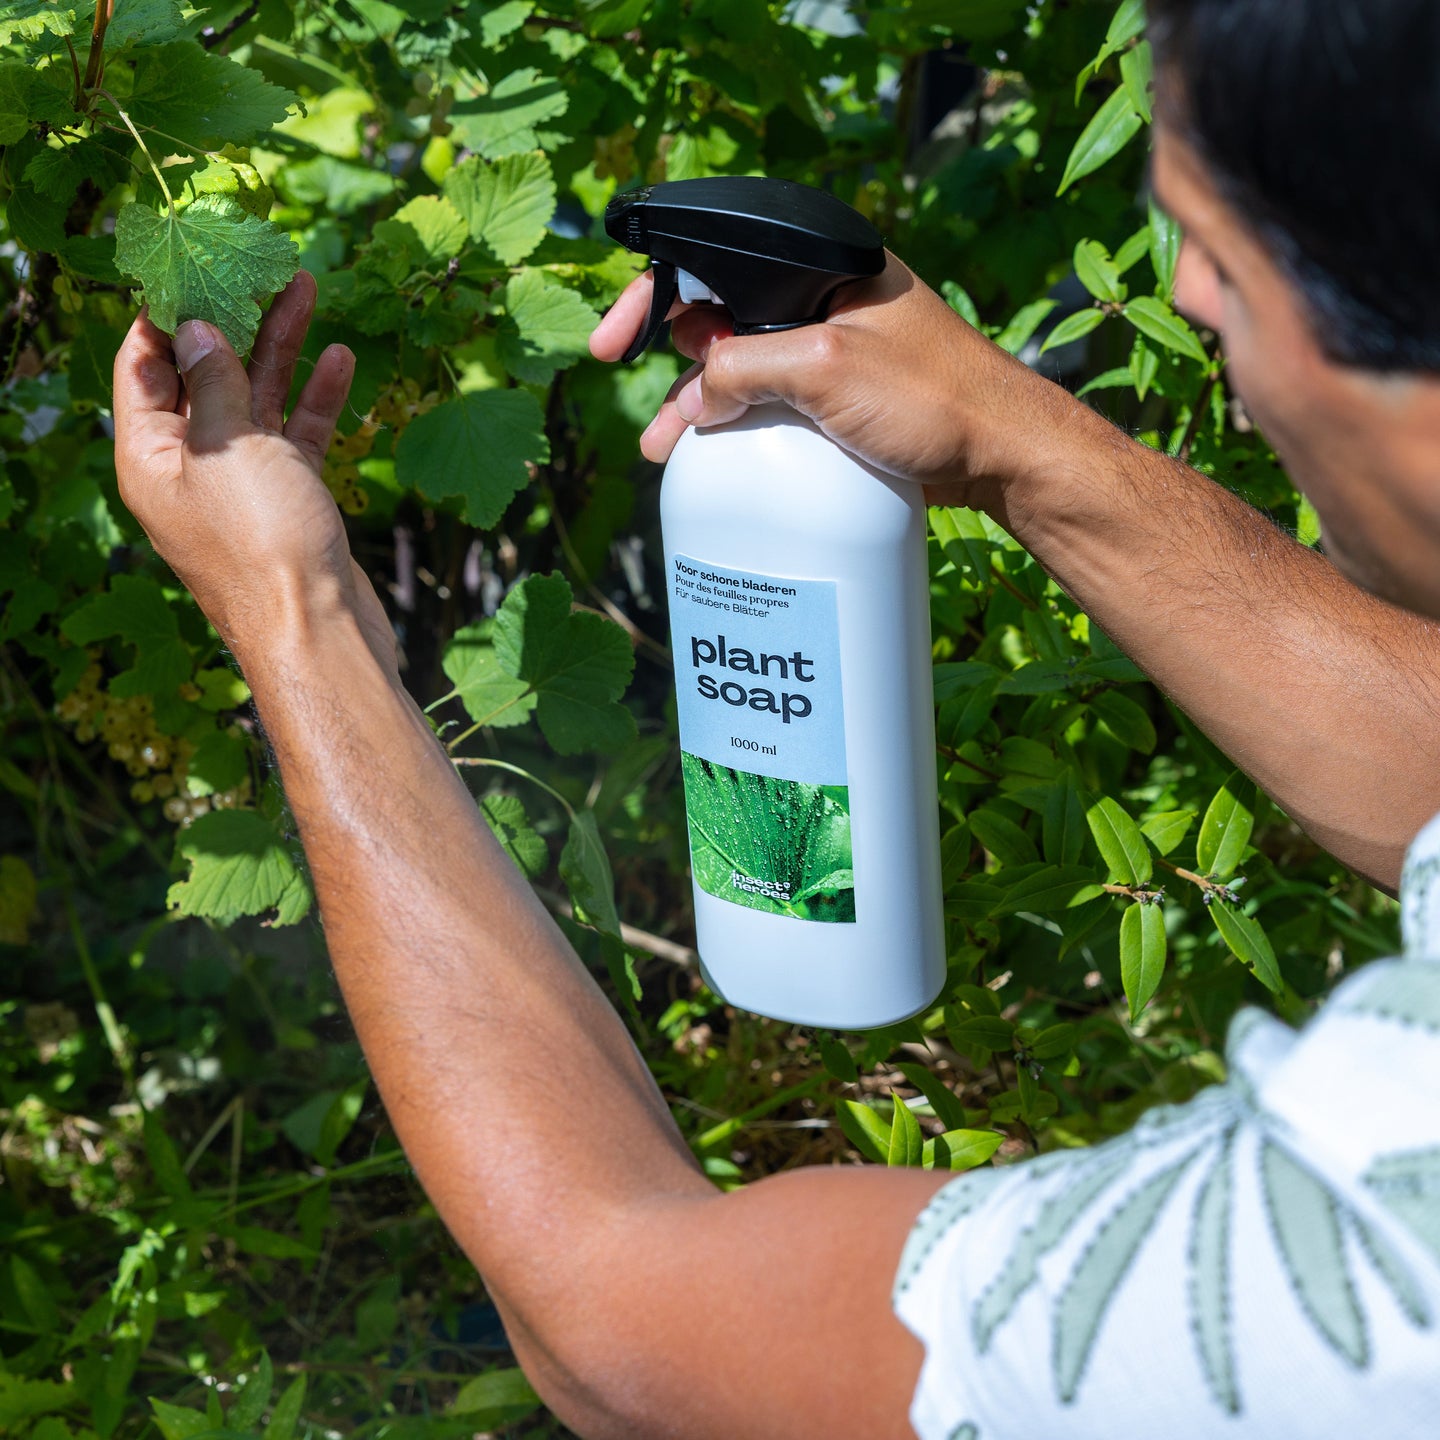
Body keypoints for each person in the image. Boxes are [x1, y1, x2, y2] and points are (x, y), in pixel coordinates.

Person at [112, 0, 1440, 1434]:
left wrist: (296, 613)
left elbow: (622, 1323)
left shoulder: (1357, 1263)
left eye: (1228, 259)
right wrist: (1007, 435)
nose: (1181, 294)